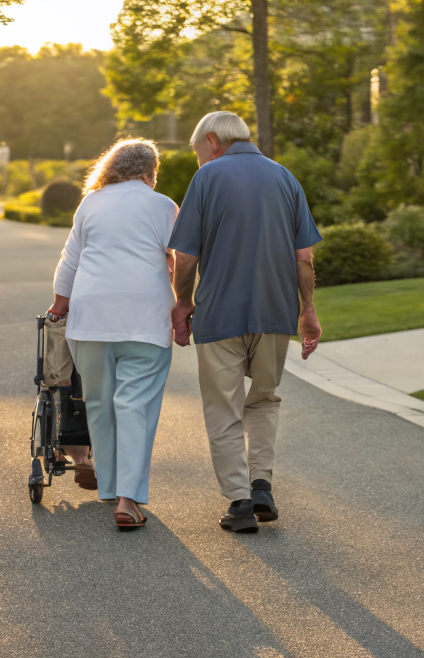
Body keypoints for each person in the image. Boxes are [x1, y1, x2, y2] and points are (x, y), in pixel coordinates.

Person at [168, 112, 322, 533]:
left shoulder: (208, 178)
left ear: (213, 140)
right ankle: (262, 487)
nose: (199, 159)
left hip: (220, 313)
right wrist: (307, 311)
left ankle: (239, 503)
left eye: (198, 150)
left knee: (224, 407)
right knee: (265, 400)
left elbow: (186, 256)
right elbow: (303, 259)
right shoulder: (285, 178)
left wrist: (182, 303)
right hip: (275, 313)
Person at [48, 138, 178, 530]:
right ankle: (127, 499)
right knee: (134, 406)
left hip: (90, 318)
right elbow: (180, 258)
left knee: (100, 404)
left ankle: (109, 486)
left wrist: (58, 306)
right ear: (148, 172)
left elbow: (69, 260)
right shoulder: (162, 205)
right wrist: (184, 304)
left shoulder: (91, 203)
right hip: (145, 319)